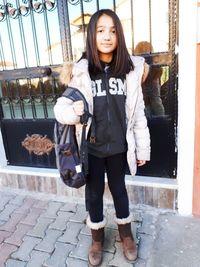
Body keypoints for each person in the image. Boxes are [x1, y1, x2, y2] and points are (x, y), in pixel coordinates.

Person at [54, 9, 150, 266]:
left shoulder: (129, 71)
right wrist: (72, 113)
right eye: (100, 30)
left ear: (119, 36)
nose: (107, 36)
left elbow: (138, 114)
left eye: (113, 30)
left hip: (119, 148)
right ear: (92, 35)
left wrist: (142, 150)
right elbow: (59, 109)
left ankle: (126, 234)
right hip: (93, 150)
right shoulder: (82, 73)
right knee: (94, 194)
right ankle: (97, 238)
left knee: (119, 190)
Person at [134, 41, 165, 117]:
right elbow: (156, 98)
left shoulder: (136, 65)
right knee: (156, 101)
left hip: (142, 103)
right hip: (150, 102)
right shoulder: (154, 67)